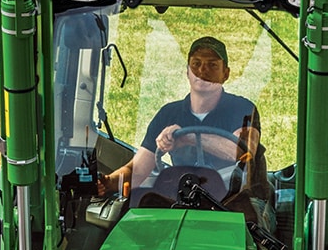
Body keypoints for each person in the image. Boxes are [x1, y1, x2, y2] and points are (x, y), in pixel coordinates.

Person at [100, 36, 264, 196]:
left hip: (234, 201)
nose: (202, 71)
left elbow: (242, 150)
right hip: (183, 198)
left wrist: (189, 137)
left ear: (226, 74)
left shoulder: (243, 108)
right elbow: (137, 171)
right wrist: (107, 182)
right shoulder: (169, 114)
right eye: (196, 64)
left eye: (212, 65)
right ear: (187, 72)